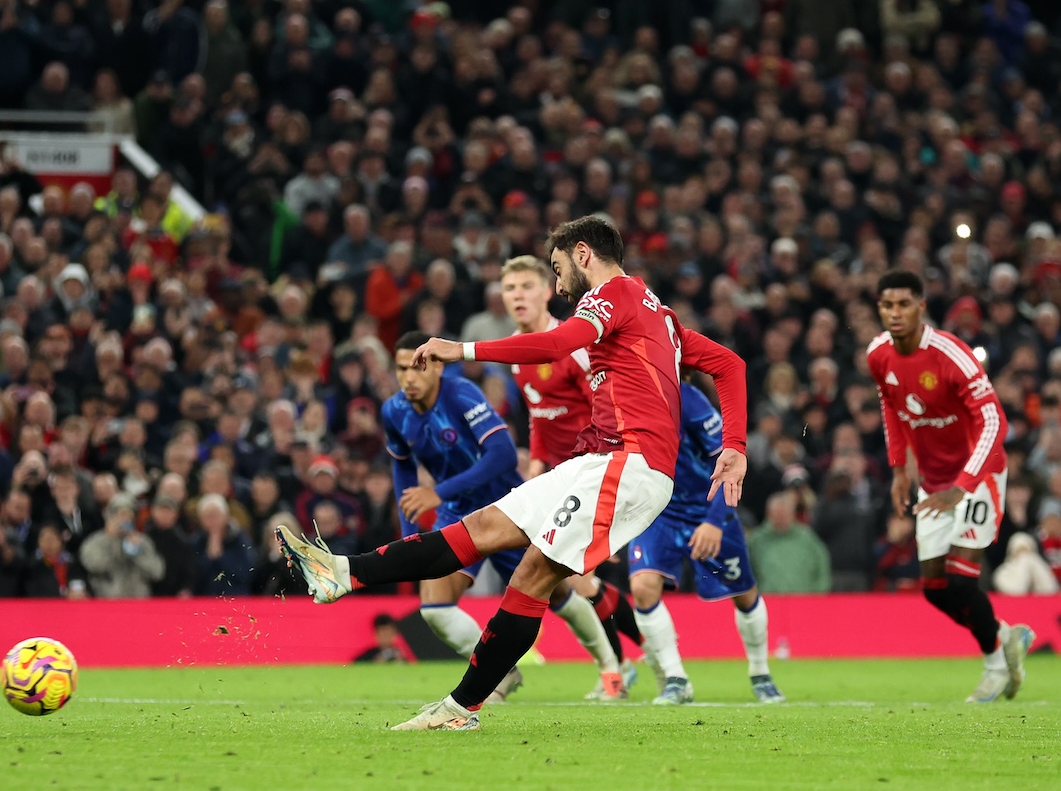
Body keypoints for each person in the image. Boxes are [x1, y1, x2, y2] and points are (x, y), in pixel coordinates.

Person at [279, 215, 748, 731]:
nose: (557, 281)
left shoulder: (609, 297)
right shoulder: (659, 313)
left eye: (556, 267)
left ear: (582, 254)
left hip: (628, 463)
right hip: (597, 460)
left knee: (533, 576)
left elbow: (553, 345)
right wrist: (735, 445)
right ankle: (342, 573)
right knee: (481, 530)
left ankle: (462, 709)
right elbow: (730, 365)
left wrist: (462, 350)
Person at [379, 329, 625, 703]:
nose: (409, 377)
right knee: (434, 608)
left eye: (418, 366)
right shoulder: (393, 411)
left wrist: (438, 492)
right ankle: (502, 673)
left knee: (558, 593)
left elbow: (504, 455)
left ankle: (611, 670)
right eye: (401, 369)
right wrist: (412, 535)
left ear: (438, 366)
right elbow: (403, 473)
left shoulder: (462, 395)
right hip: (459, 510)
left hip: (508, 506)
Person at [867, 269, 1035, 703]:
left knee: (961, 582)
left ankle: (995, 666)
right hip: (934, 482)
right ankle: (1005, 636)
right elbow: (891, 406)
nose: (895, 313)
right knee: (935, 590)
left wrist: (963, 487)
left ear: (922, 307)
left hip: (977, 475)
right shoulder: (878, 355)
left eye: (904, 304)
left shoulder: (951, 355)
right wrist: (899, 470)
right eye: (888, 305)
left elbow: (995, 420)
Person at [500, 254, 642, 697]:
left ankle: (625, 663)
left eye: (527, 286)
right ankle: (639, 654)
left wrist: (601, 476)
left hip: (594, 468)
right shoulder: (517, 355)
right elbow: (538, 420)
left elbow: (604, 406)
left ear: (547, 291)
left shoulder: (573, 344)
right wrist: (537, 469)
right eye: (510, 289)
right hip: (558, 477)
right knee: (574, 578)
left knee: (576, 578)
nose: (518, 296)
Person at [627, 379, 785, 705]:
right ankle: (676, 679)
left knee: (744, 595)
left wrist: (714, 521)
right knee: (643, 587)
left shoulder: (689, 400)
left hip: (707, 507)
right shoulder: (620, 396)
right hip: (658, 511)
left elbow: (731, 462)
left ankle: (760, 672)